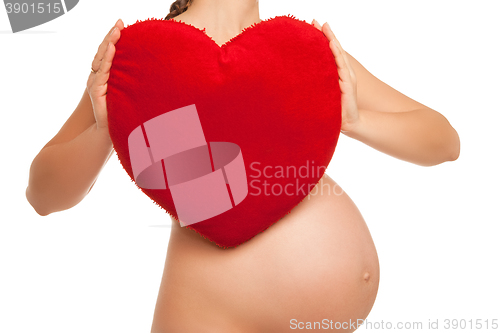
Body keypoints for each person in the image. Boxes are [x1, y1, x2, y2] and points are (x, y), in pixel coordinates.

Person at [25, 0, 460, 331]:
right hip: (210, 316)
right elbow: (42, 196)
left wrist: (356, 121)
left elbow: (444, 141)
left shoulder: (303, 53)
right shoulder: (140, 62)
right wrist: (107, 124)